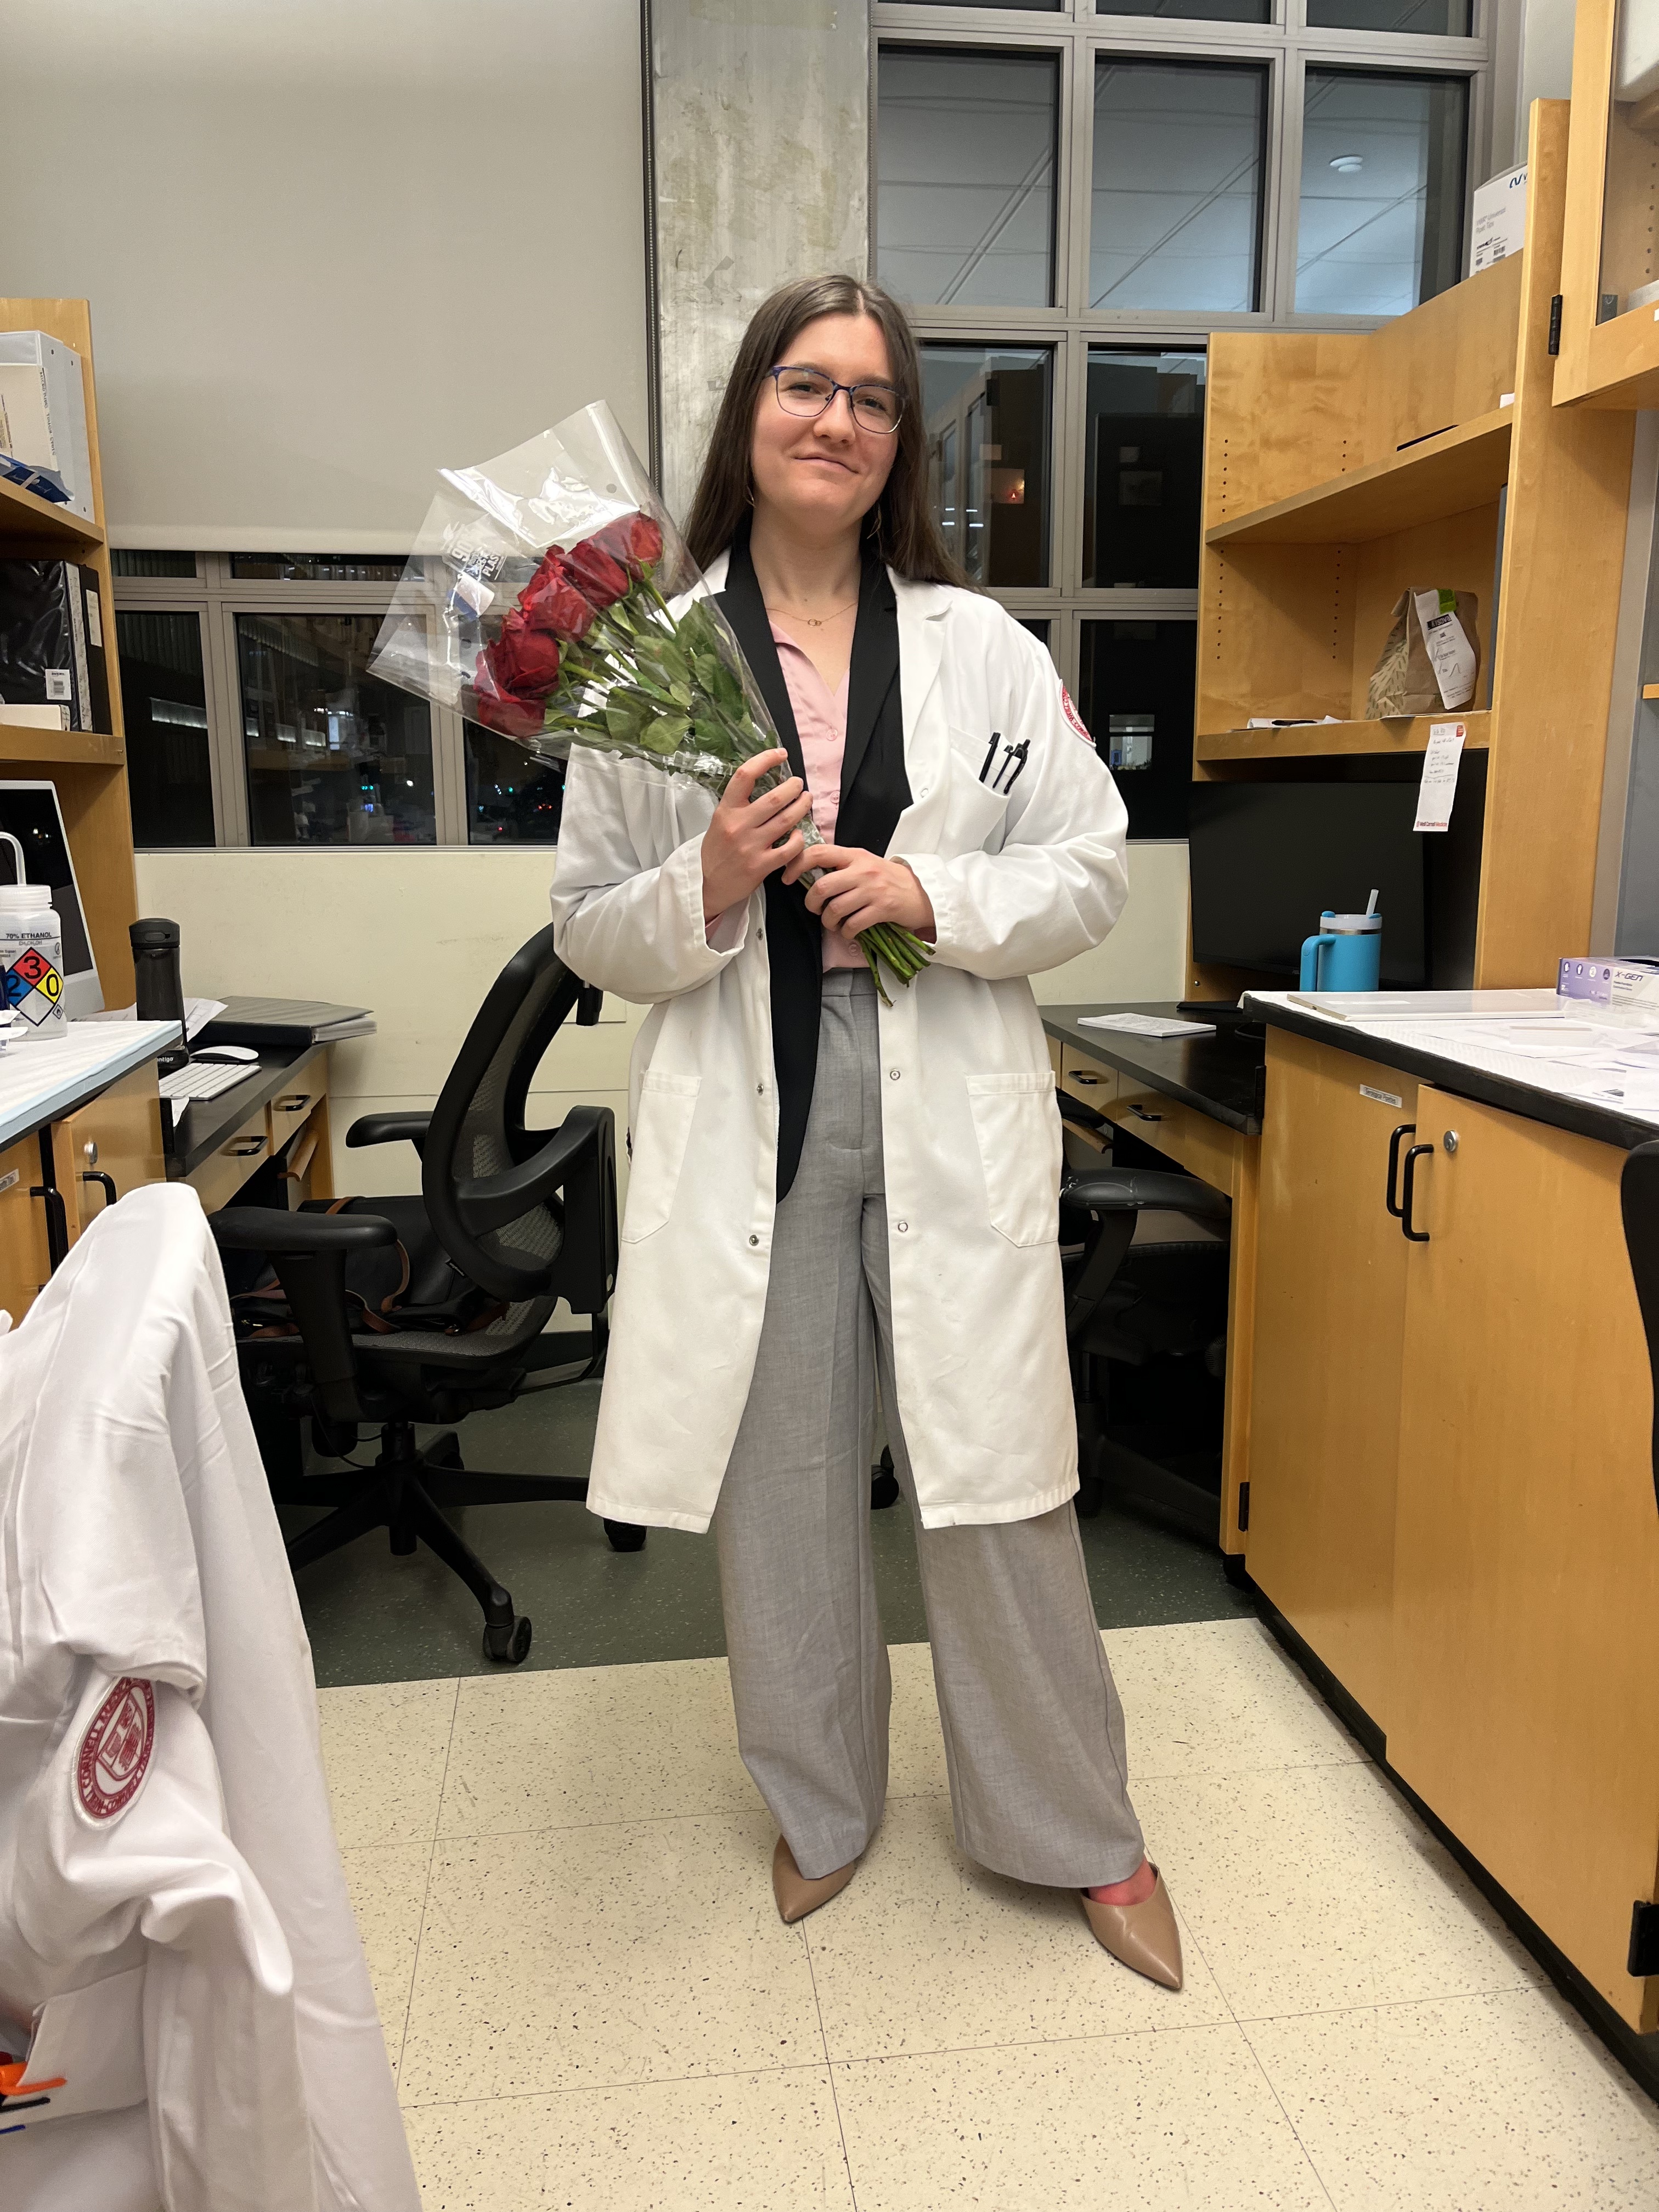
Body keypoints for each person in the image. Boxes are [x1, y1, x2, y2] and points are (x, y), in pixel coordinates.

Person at [549, 273, 1182, 1990]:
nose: (837, 419)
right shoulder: (652, 657)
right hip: (752, 1106)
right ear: (750, 412)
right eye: (805, 384)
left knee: (997, 1479)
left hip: (947, 1088)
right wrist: (707, 879)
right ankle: (820, 1806)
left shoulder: (982, 649)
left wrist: (929, 889)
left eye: (875, 398)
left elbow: (1093, 869)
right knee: (783, 1482)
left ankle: (1075, 1826)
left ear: (902, 441)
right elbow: (587, 927)